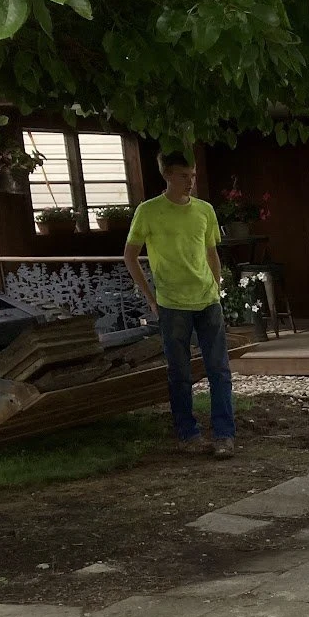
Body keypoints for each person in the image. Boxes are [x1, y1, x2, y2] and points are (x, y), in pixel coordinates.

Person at [122, 151, 236, 457]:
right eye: (184, 176)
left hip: (207, 299)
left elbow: (211, 250)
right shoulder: (148, 211)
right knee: (180, 373)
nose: (191, 182)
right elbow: (130, 255)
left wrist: (216, 284)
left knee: (219, 370)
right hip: (172, 303)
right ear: (168, 175)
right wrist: (150, 297)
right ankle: (188, 434)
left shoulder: (204, 210)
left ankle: (225, 434)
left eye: (194, 175)